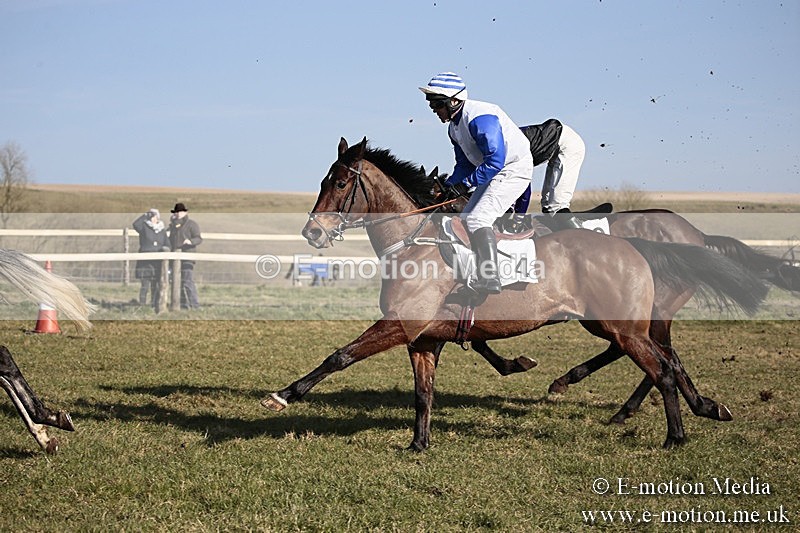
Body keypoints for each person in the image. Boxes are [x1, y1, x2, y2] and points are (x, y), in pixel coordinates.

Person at [421, 72, 533, 294]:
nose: (433, 109)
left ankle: (491, 278)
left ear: (453, 101)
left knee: (477, 219)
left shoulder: (480, 118)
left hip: (512, 168)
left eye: (437, 104)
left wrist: (465, 185)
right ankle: (475, 274)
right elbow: (464, 164)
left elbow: (495, 161)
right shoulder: (453, 128)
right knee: (464, 221)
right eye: (431, 104)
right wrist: (450, 186)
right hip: (494, 170)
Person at [517, 119, 586, 230]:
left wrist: (518, 218)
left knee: (557, 206)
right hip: (556, 143)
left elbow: (524, 187)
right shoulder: (501, 143)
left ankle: (585, 240)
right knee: (547, 206)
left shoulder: (508, 153)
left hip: (568, 145)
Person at [132, 209, 169, 309]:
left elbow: (167, 244)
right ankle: (142, 306)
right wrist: (145, 215)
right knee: (145, 285)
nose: (153, 219)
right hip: (145, 261)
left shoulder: (162, 230)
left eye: (155, 216)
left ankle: (154, 304)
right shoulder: (144, 227)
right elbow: (135, 225)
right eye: (151, 216)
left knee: (155, 285)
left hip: (157, 262)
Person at [168, 202, 203, 310]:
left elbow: (199, 239)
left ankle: (194, 305)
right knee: (177, 282)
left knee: (187, 282)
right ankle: (182, 305)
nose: (178, 214)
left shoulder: (192, 224)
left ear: (185, 212)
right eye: (176, 212)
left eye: (180, 211)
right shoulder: (172, 226)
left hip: (187, 257)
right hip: (174, 257)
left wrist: (190, 241)